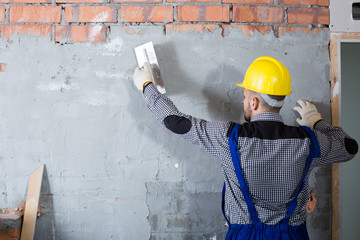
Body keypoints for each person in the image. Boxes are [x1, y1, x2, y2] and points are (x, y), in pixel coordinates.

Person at [132, 56, 358, 239]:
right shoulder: (309, 141)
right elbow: (349, 147)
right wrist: (316, 122)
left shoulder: (228, 137)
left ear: (254, 102)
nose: (243, 101)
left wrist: (146, 86)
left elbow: (175, 122)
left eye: (245, 96)